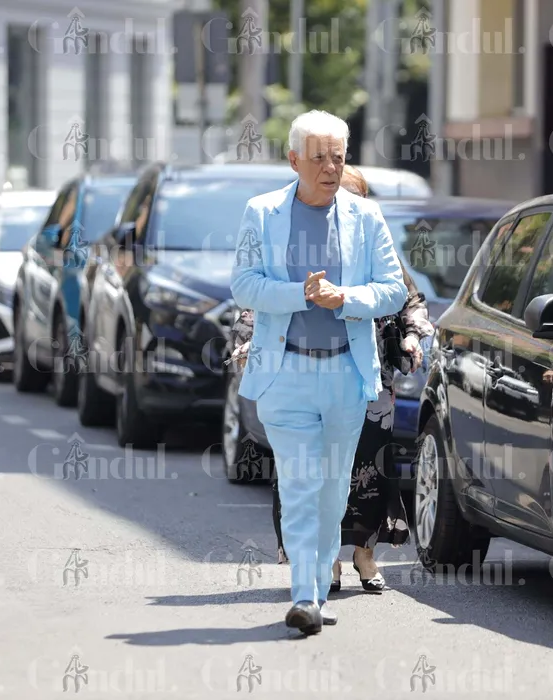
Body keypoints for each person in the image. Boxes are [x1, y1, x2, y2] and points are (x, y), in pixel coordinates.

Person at [230, 110, 407, 635]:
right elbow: (243, 284)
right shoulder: (261, 212)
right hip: (285, 372)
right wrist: (299, 294)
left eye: (338, 157)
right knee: (300, 484)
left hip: (345, 375)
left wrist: (344, 298)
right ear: (294, 160)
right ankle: (305, 596)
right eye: (319, 158)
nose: (331, 167)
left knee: (332, 492)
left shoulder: (366, 217)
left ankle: (318, 589)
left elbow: (393, 290)